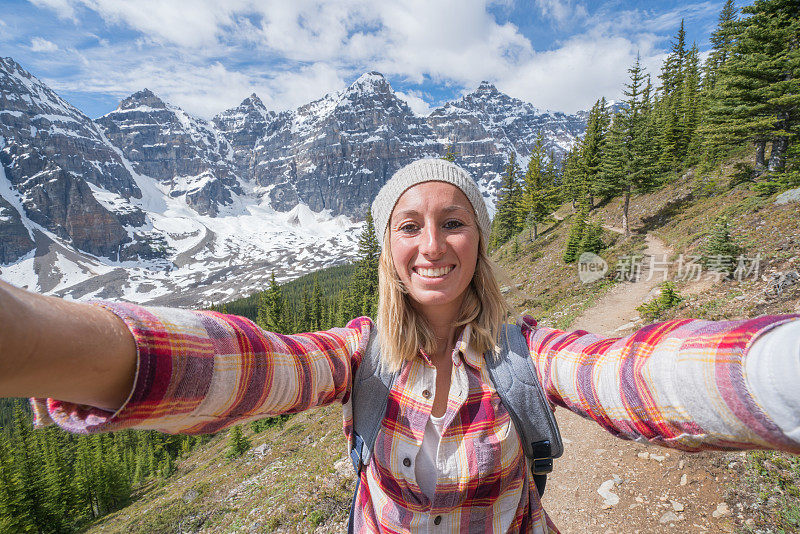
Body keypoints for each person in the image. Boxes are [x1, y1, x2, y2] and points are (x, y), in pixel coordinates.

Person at [0, 158, 798, 533]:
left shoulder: (529, 352)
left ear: (479, 241)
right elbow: (252, 367)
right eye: (408, 225)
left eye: (454, 221)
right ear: (387, 248)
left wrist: (774, 377)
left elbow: (632, 376)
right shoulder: (357, 355)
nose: (432, 244)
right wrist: (38, 342)